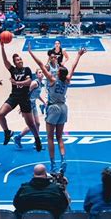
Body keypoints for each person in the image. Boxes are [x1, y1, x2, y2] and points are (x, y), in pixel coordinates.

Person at [28, 43, 87, 173]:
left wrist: (31, 53)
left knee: (50, 138)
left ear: (58, 72)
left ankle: (53, 164)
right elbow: (73, 67)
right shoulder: (67, 80)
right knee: (59, 137)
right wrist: (78, 55)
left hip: (53, 108)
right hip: (64, 108)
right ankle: (64, 159)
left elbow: (41, 65)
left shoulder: (51, 79)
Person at [0, 42, 42, 151]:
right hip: (14, 97)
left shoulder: (27, 69)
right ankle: (7, 132)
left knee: (31, 124)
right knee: (0, 115)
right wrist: (2, 47)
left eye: (20, 59)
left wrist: (16, 82)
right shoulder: (13, 70)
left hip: (24, 98)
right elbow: (5, 61)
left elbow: (28, 82)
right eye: (18, 60)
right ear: (14, 63)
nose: (20, 60)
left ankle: (37, 140)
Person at [13, 69, 46, 150]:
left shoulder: (41, 83)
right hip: (28, 105)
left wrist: (43, 102)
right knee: (32, 125)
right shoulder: (34, 83)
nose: (41, 74)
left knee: (37, 123)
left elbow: (36, 95)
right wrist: (22, 105)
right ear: (36, 75)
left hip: (33, 104)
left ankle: (36, 142)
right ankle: (18, 137)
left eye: (42, 72)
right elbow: (26, 92)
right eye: (39, 72)